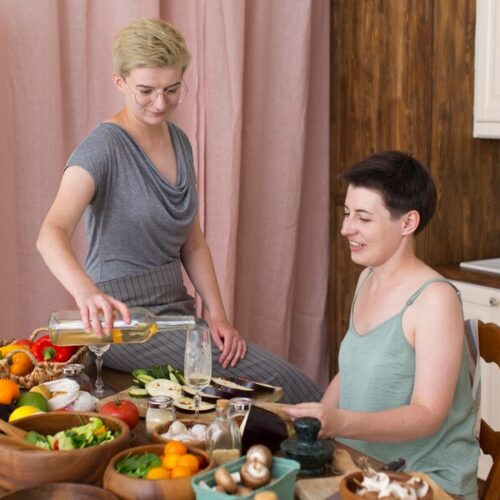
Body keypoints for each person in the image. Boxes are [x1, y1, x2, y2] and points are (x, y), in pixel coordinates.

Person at [36, 17, 322, 404]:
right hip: (124, 323)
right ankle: (339, 432)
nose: (160, 103)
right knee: (285, 383)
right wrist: (87, 293)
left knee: (241, 398)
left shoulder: (180, 142)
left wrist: (217, 315)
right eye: (146, 90)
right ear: (119, 82)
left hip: (177, 312)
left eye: (171, 90)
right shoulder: (102, 147)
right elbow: (50, 233)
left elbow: (193, 242)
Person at [283, 151, 479, 497]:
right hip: (362, 465)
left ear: (408, 222)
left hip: (423, 481)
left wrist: (340, 422)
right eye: (347, 214)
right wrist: (315, 422)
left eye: (363, 218)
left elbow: (427, 414)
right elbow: (353, 370)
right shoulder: (368, 278)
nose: (346, 229)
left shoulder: (435, 300)